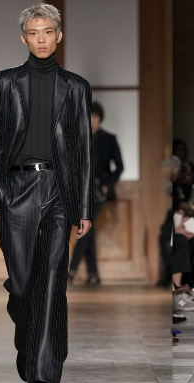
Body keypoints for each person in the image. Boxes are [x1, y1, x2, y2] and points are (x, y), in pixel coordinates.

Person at [0, 4, 93, 383]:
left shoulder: (76, 87)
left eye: (47, 32)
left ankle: (44, 373)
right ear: (23, 38)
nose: (41, 39)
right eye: (33, 32)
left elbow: (84, 151)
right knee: (24, 286)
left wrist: (84, 208)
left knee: (53, 282)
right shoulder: (4, 82)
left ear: (59, 35)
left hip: (59, 189)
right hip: (17, 187)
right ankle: (27, 341)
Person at [67, 101, 123, 286]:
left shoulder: (109, 139)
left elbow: (120, 166)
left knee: (84, 227)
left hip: (100, 191)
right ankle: (94, 275)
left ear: (99, 118)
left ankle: (71, 271)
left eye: (94, 116)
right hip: (81, 190)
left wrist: (108, 184)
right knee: (87, 230)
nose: (91, 119)